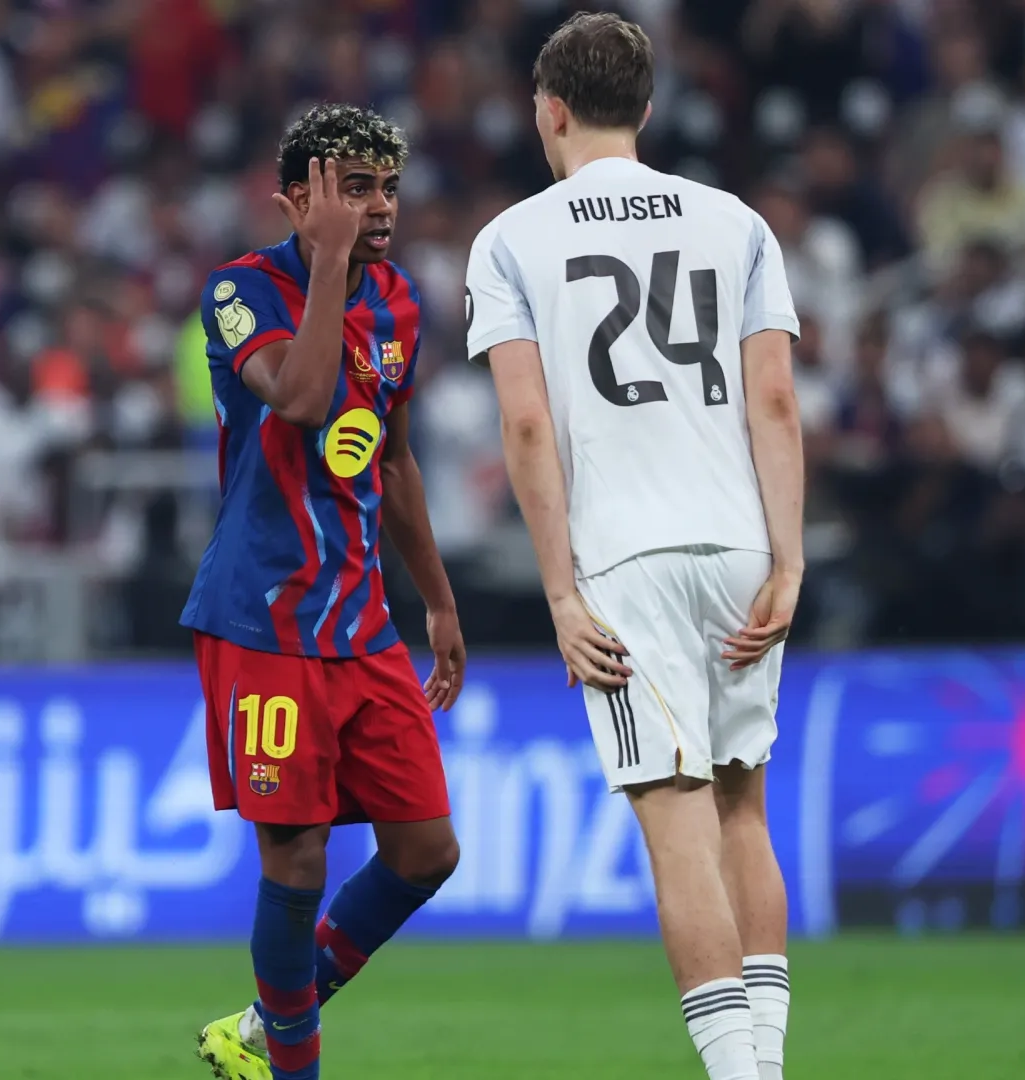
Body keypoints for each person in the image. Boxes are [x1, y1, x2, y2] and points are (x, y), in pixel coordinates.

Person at [466, 14, 799, 1080]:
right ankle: (770, 1067)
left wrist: (560, 593)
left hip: (626, 557)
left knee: (676, 818)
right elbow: (776, 403)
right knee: (744, 799)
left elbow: (525, 424)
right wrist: (788, 561)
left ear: (549, 109)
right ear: (646, 112)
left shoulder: (513, 238)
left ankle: (737, 1077)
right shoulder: (736, 222)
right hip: (740, 541)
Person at [190, 104, 466, 1080]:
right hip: (262, 623)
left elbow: (388, 461)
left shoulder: (399, 303)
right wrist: (329, 270)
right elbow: (304, 400)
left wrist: (435, 600)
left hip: (362, 625)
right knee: (296, 863)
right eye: (354, 188)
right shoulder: (239, 292)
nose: (378, 206)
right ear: (295, 198)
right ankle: (292, 1068)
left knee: (428, 851)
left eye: (387, 187)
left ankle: (262, 1028)